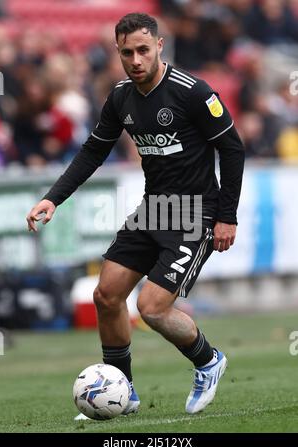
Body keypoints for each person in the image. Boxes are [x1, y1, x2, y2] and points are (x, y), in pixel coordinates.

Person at [26, 13, 245, 418]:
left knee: (151, 307)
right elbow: (93, 151)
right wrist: (53, 198)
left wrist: (226, 216)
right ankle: (122, 392)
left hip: (197, 214)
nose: (136, 59)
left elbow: (232, 149)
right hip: (154, 209)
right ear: (118, 53)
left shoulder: (193, 92)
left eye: (143, 50)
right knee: (106, 296)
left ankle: (209, 361)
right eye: (127, 52)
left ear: (160, 46)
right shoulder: (121, 97)